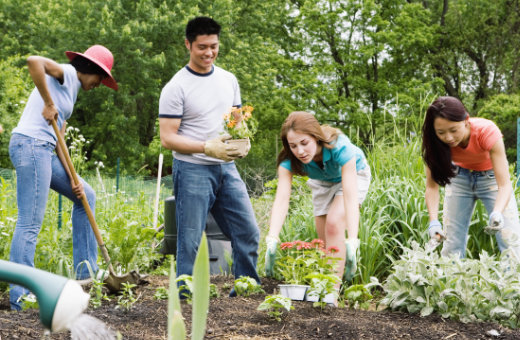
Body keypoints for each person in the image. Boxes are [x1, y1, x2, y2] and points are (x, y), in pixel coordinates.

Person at [8, 45, 118, 310]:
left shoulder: (72, 91)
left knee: (86, 196)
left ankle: (85, 274)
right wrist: (48, 102)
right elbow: (34, 61)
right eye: (100, 78)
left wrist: (73, 177)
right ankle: (20, 296)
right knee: (30, 222)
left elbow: (59, 140)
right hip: (31, 146)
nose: (99, 84)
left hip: (44, 149)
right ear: (90, 69)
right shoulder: (67, 73)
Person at [158, 16, 261, 292]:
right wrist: (206, 147)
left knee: (247, 232)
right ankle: (185, 294)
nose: (209, 53)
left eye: (214, 46)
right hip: (192, 169)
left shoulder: (229, 80)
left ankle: (245, 289)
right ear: (188, 44)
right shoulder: (176, 87)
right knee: (190, 240)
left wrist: (243, 139)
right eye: (202, 47)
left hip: (226, 168)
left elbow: (236, 119)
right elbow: (167, 138)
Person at [264, 111, 371, 287]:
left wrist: (353, 239)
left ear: (316, 137)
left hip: (354, 174)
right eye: (293, 145)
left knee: (334, 222)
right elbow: (282, 199)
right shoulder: (288, 161)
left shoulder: (341, 148)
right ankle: (325, 290)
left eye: (304, 143)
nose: (300, 151)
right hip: (322, 181)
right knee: (323, 243)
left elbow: (350, 196)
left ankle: (332, 295)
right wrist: (272, 237)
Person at [422, 96, 520, 259]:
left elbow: (504, 184)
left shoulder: (487, 132)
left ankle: (512, 284)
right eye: (441, 132)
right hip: (458, 177)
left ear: (466, 120)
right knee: (451, 243)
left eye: (453, 130)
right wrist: (433, 221)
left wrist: (497, 212)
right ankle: (453, 283)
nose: (448, 138)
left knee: (511, 240)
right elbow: (432, 187)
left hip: (491, 179)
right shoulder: (434, 144)